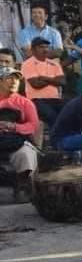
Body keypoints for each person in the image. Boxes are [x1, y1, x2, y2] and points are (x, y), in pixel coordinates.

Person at [0, 65, 40, 200]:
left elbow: (33, 125)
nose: (13, 82)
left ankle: (23, 186)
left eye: (16, 79)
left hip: (15, 140)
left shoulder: (25, 102)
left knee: (27, 154)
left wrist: (13, 126)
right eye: (9, 78)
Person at [20, 37, 67, 134]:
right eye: (41, 47)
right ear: (33, 50)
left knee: (70, 110)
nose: (45, 49)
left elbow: (62, 82)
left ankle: (65, 137)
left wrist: (45, 78)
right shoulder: (27, 64)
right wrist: (54, 80)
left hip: (55, 99)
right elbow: (36, 84)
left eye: (47, 47)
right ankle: (58, 140)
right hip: (36, 99)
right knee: (51, 115)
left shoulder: (54, 64)